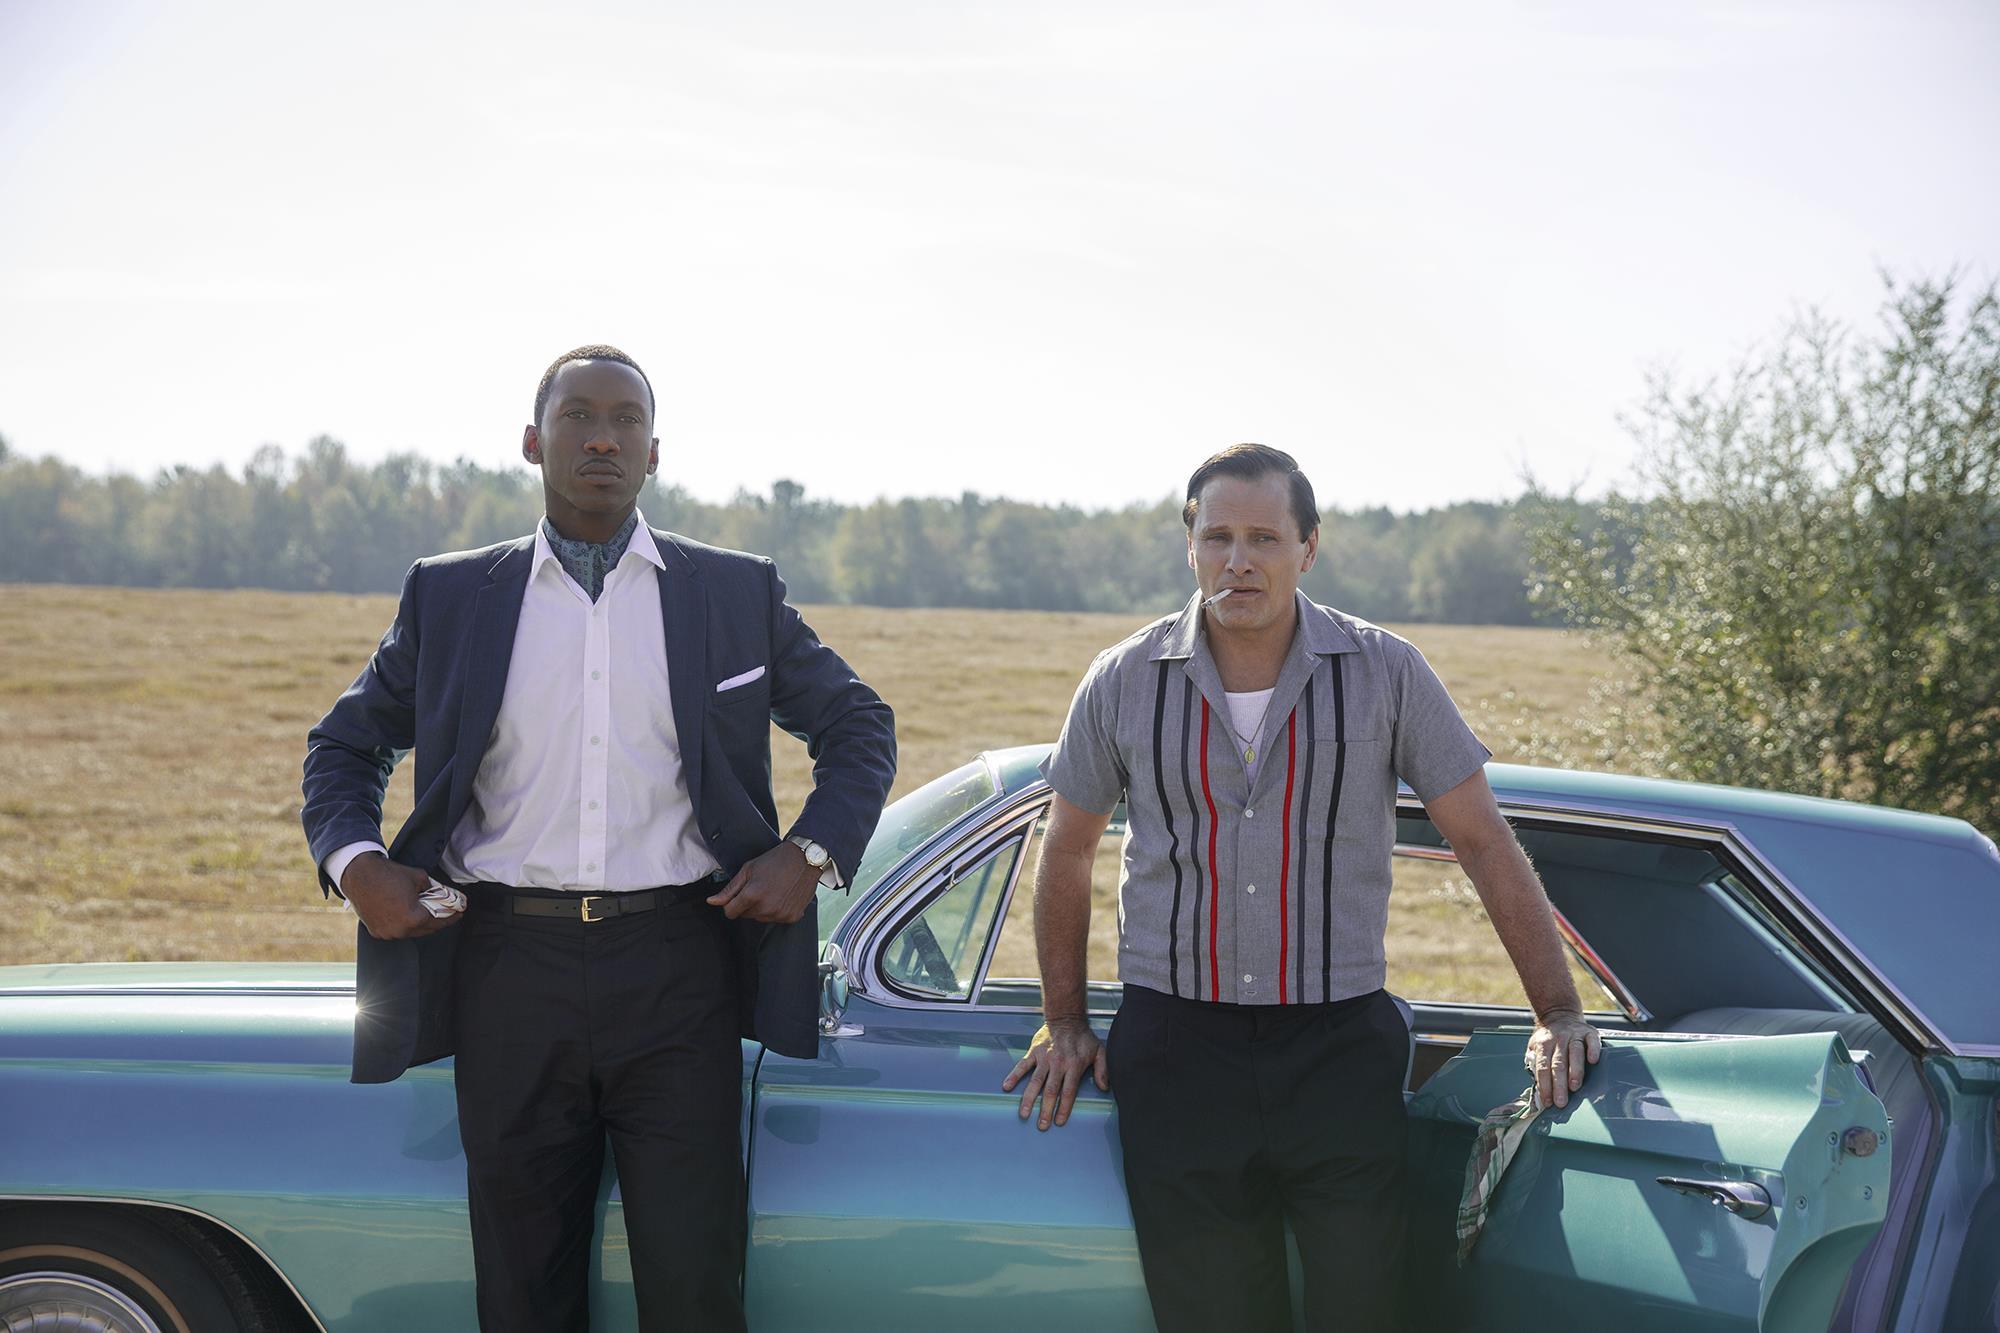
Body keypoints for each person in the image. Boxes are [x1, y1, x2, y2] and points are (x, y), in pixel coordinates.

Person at [300, 344, 896, 1332]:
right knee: (522, 1288)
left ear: (654, 452)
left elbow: (857, 724)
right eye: (578, 415)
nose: (603, 438)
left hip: (679, 969)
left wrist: (810, 852)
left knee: (693, 1281)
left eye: (627, 420)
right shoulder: (451, 595)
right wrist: (359, 865)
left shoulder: (732, 592)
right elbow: (344, 745)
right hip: (506, 972)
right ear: (533, 442)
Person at [1001, 443, 1599, 1332]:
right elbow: (1067, 849)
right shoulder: (1121, 679)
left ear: (1308, 547)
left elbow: (1482, 839)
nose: (1238, 560)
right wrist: (1065, 1019)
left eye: (1264, 538)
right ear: (1190, 545)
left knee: (1363, 1308)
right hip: (1175, 1051)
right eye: (1218, 537)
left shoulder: (1387, 670)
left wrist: (1557, 1009)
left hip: (1339, 1051)